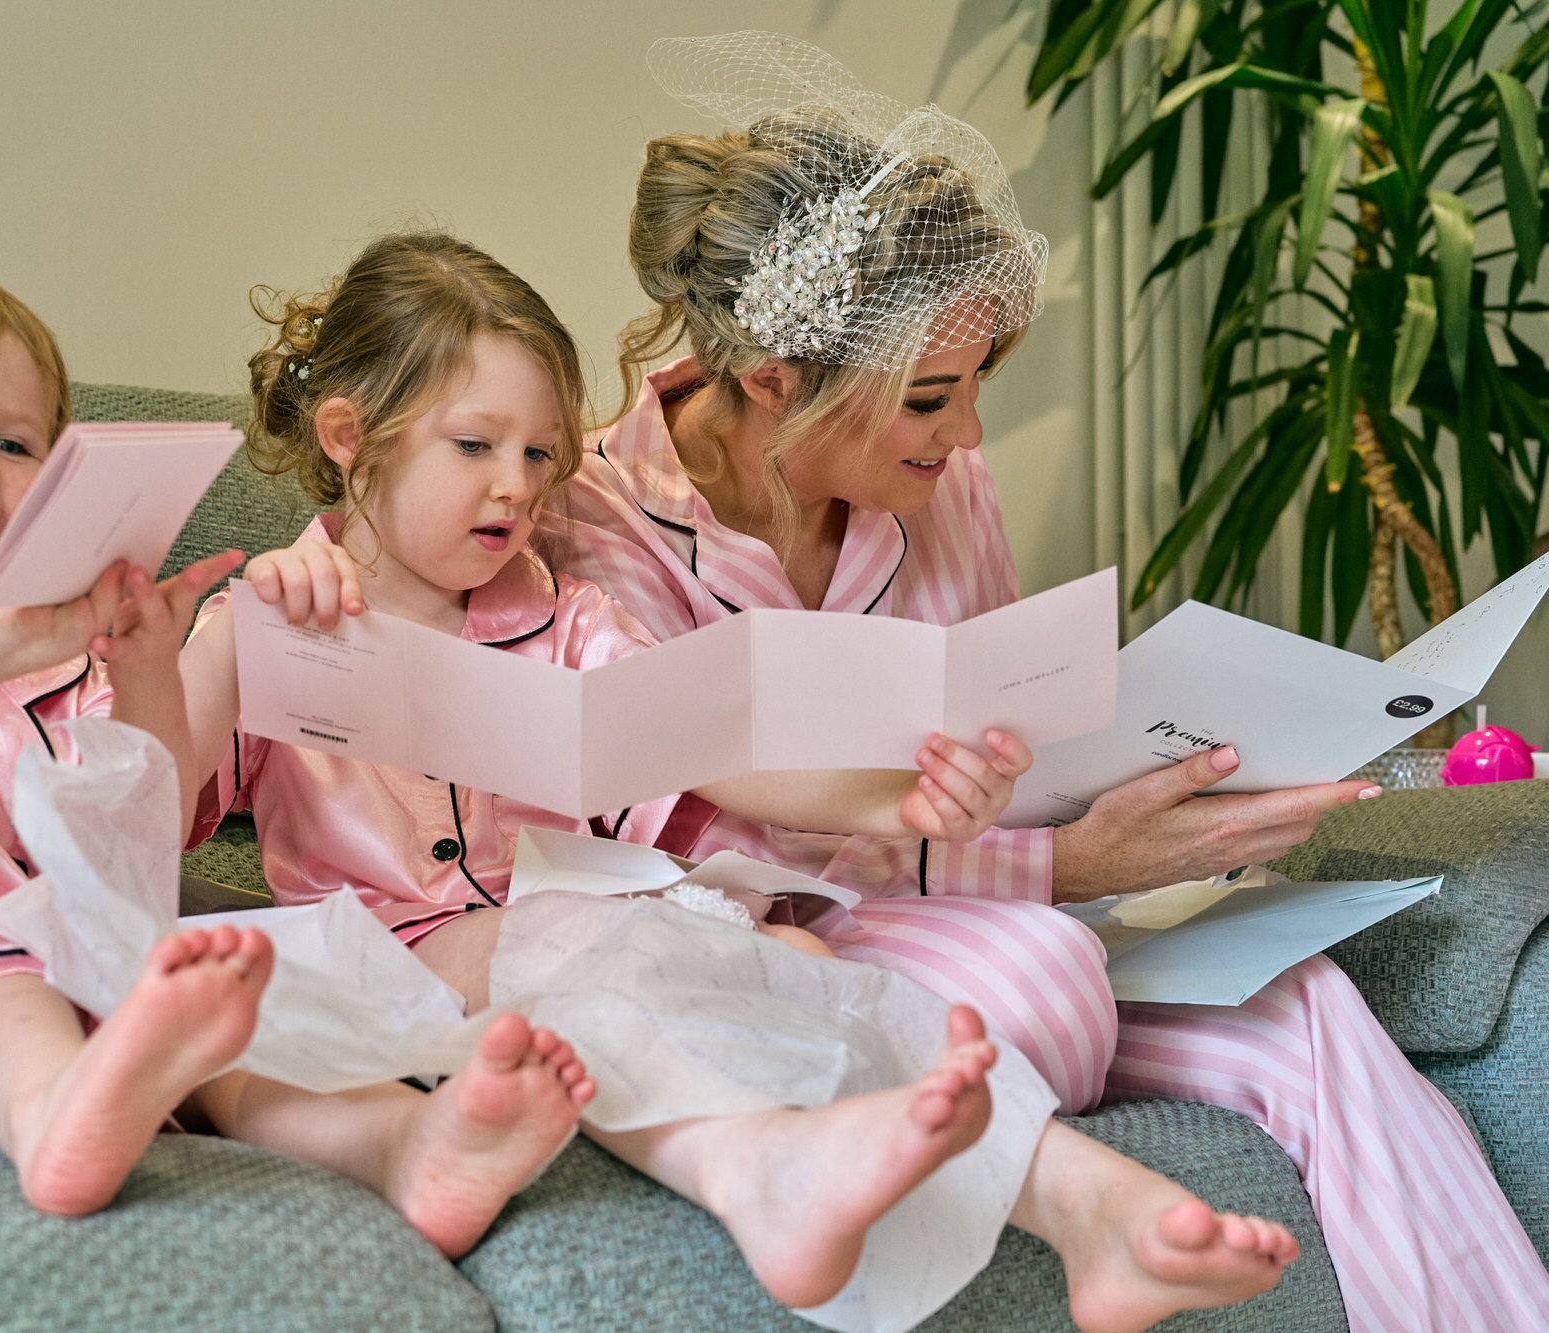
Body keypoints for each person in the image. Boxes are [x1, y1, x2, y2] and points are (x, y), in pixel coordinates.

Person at [551, 31, 1549, 1330]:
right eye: (928, 399)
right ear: (771, 379)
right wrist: (1068, 870)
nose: (968, 438)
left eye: (980, 388)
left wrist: (1146, 797)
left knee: (1304, 1003)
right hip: (772, 961)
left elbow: (1012, 755)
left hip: (977, 917)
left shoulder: (944, 485)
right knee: (1031, 977)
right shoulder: (587, 528)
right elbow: (694, 877)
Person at [179, 229, 1298, 1333]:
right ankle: (772, 1171)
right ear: (348, 437)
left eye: (538, 455)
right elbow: (145, 805)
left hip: (585, 918)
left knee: (796, 960)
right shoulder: (275, 622)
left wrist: (885, 800)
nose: (514, 488)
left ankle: (1083, 1203)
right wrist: (232, 642)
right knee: (586, 941)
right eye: (475, 447)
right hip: (404, 957)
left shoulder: (568, 618)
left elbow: (714, 746)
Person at [0, 259, 599, 1254]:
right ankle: (52, 1117)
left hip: (83, 994)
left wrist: (147, 667)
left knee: (224, 1003)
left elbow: (139, 833)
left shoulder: (53, 679)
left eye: (13, 444)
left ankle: (399, 1144)